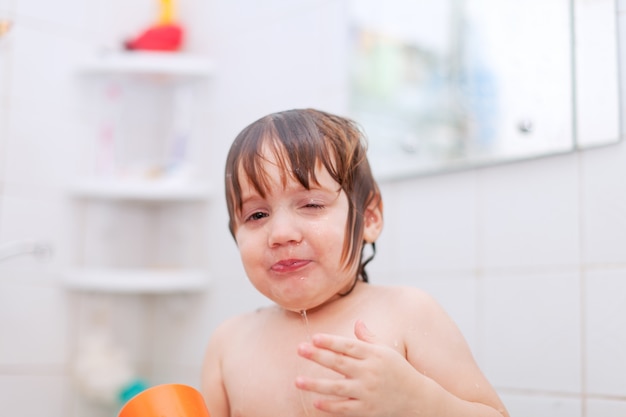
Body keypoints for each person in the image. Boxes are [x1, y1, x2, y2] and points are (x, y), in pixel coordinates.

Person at [201, 108, 509, 417]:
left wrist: (420, 401)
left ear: (370, 218)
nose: (280, 234)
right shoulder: (227, 344)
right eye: (256, 215)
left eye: (311, 204)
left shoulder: (408, 313)